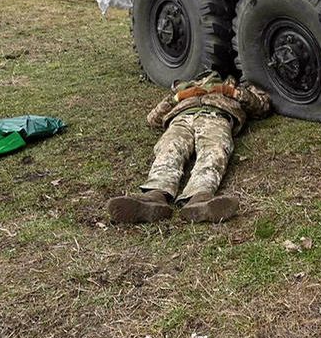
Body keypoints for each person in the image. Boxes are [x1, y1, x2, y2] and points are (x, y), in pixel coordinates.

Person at [109, 71, 273, 224]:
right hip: (181, 118)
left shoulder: (236, 86)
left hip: (215, 114)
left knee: (214, 149)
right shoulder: (182, 89)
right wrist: (177, 98)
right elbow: (153, 119)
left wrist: (233, 92)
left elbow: (262, 106)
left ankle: (200, 197)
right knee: (169, 148)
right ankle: (154, 196)